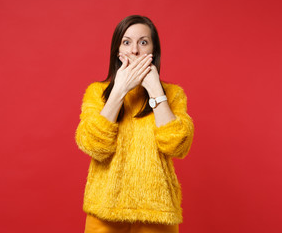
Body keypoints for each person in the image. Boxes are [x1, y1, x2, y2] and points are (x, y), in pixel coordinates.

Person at [75, 15, 194, 233]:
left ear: (153, 51)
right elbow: (92, 145)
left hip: (157, 213)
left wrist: (156, 90)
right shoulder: (97, 92)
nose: (135, 51)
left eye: (143, 42)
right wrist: (119, 91)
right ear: (117, 50)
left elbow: (177, 146)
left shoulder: (173, 94)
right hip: (105, 209)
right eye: (127, 42)